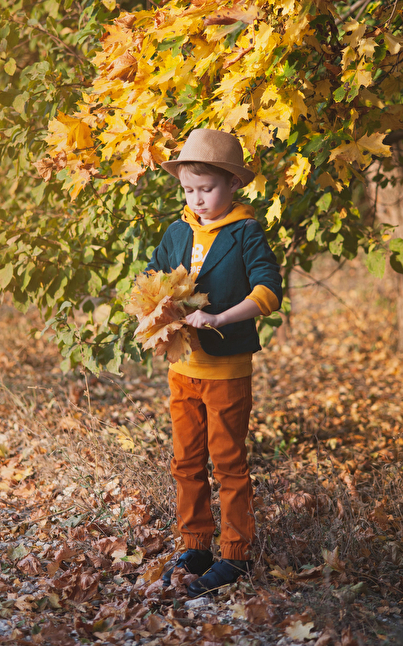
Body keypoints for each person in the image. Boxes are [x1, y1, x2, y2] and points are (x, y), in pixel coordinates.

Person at [145, 128, 282, 597]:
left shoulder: (246, 232)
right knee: (186, 461)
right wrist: (155, 305)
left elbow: (268, 290)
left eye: (206, 189)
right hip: (183, 370)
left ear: (232, 183)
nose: (197, 200)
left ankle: (235, 554)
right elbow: (153, 276)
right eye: (189, 190)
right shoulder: (177, 232)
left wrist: (220, 317)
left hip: (226, 371)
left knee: (228, 463)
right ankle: (196, 546)